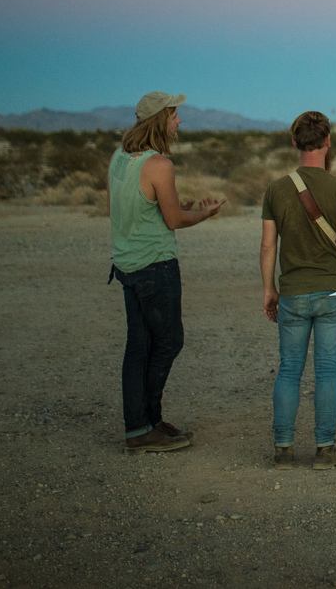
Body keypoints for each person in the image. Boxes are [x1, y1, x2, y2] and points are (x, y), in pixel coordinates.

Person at [108, 91, 224, 453]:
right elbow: (173, 219)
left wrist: (176, 207)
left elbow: (133, 207)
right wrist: (204, 213)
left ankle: (142, 425)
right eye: (175, 116)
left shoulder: (119, 158)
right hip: (155, 265)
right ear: (161, 119)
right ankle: (146, 425)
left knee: (139, 346)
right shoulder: (159, 164)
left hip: (127, 265)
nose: (179, 122)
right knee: (169, 341)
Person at [259, 111, 336, 469]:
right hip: (333, 292)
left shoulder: (276, 189)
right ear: (328, 143)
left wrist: (269, 289)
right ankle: (325, 449)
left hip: (292, 290)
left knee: (289, 369)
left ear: (294, 142)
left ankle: (283, 449)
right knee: (327, 371)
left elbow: (267, 247)